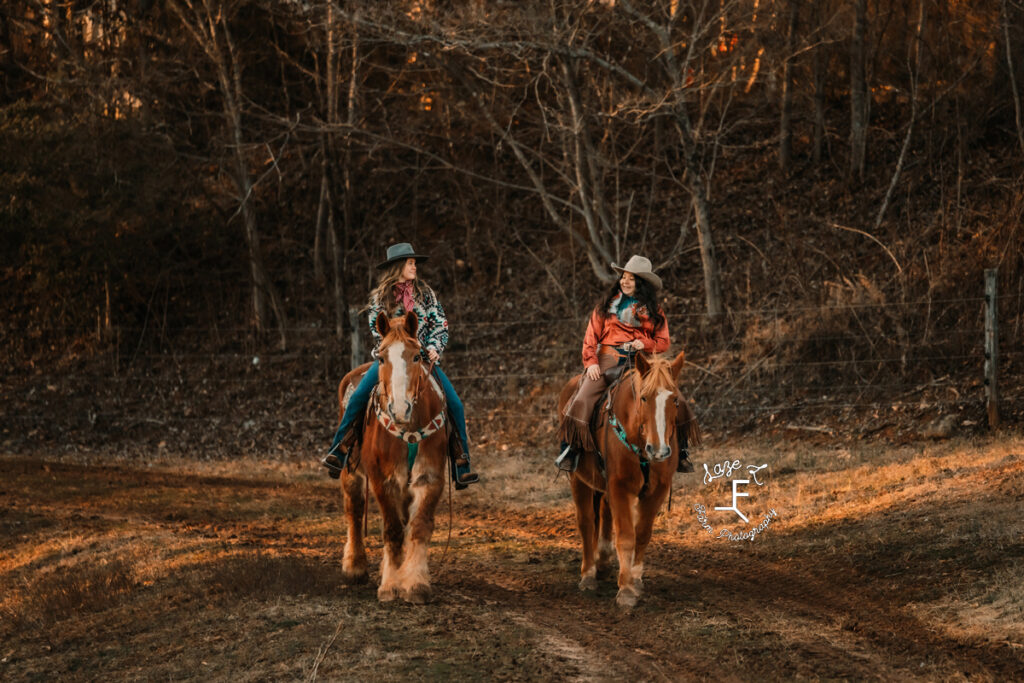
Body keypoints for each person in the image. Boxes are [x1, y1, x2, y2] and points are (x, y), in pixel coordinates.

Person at [322, 242, 479, 488]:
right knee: (359, 396)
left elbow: (441, 324)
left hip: (421, 360)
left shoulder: (426, 295)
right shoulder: (380, 298)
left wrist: (434, 347)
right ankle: (340, 449)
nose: (414, 266)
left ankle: (462, 463)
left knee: (455, 404)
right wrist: (392, 350)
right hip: (391, 360)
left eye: (414, 262)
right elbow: (378, 328)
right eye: (410, 262)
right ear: (398, 266)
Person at [556, 254, 695, 474]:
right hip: (608, 358)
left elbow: (663, 342)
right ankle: (570, 448)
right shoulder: (605, 306)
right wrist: (591, 362)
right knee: (583, 396)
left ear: (642, 283)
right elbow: (590, 337)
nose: (625, 281)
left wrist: (644, 343)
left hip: (641, 362)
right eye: (624, 276)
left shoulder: (654, 310)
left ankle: (682, 451)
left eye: (632, 278)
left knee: (673, 396)